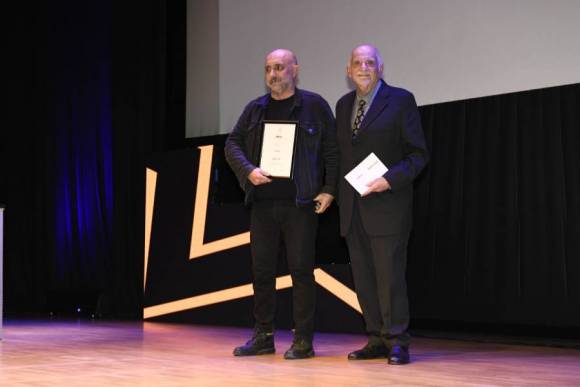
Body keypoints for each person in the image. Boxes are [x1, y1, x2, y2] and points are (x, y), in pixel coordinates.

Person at [225, 49, 337, 359]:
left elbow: (332, 150)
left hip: (301, 204)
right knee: (261, 272)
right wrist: (248, 170)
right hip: (262, 205)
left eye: (280, 67)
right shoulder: (255, 109)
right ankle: (264, 336)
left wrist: (329, 188)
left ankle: (303, 340)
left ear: (294, 70)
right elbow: (232, 144)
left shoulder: (314, 105)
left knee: (301, 271)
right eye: (268, 69)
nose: (273, 74)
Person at [335, 44, 429, 365]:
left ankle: (397, 340)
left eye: (369, 63)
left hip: (389, 204)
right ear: (348, 71)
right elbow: (341, 157)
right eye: (357, 63)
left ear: (380, 68)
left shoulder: (401, 100)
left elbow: (418, 154)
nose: (363, 67)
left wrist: (389, 179)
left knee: (390, 277)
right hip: (353, 207)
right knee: (363, 278)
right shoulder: (343, 105)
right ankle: (375, 337)